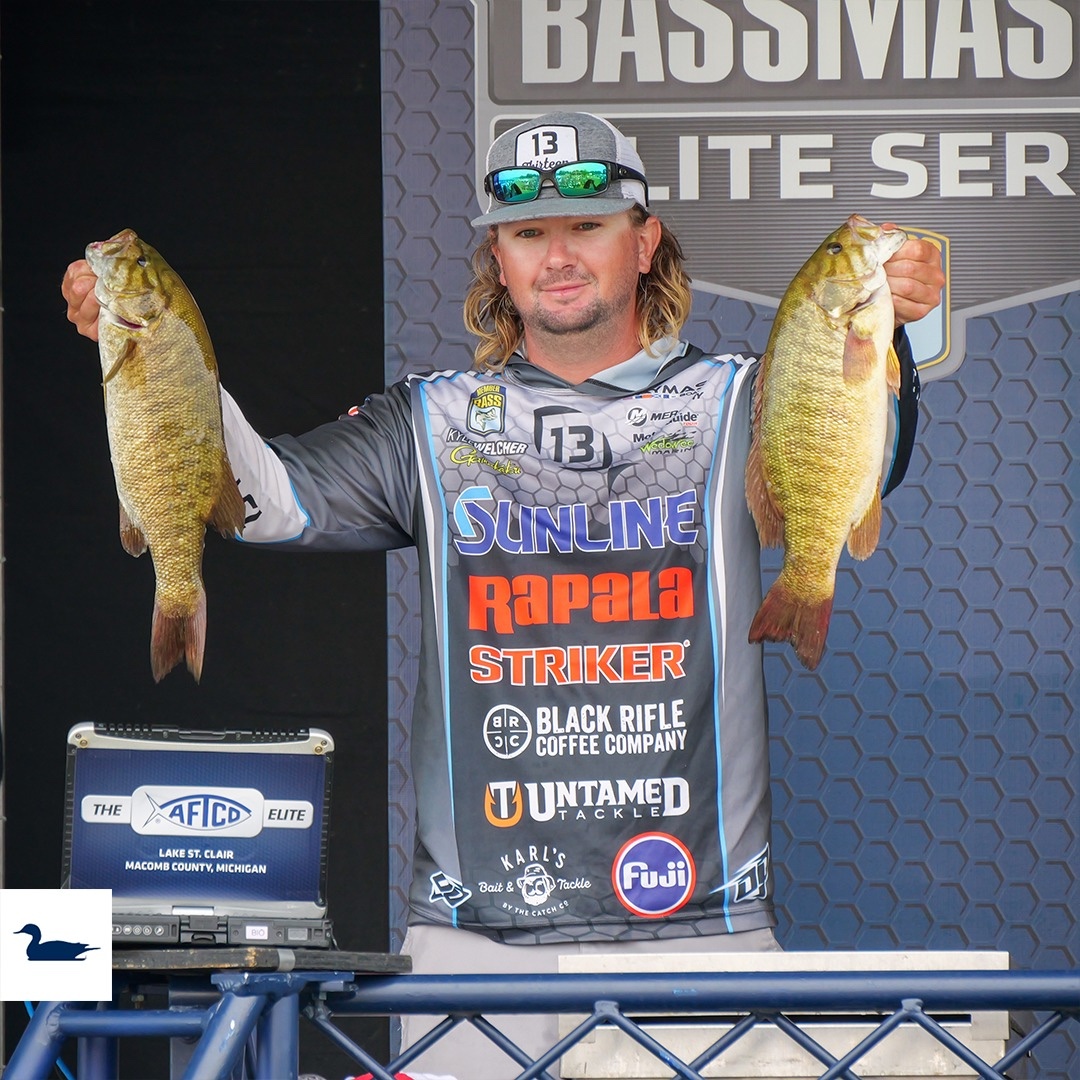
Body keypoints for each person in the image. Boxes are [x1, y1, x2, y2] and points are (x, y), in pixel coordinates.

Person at [63, 111, 945, 1079]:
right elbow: (267, 504)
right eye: (529, 235)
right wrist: (163, 357)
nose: (557, 255)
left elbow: (873, 453)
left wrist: (897, 325)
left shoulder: (740, 398)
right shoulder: (432, 421)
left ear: (644, 241)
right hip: (471, 943)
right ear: (500, 254)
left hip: (703, 929)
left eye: (587, 226)